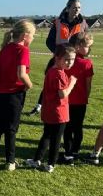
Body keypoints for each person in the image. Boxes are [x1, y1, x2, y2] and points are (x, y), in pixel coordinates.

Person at [0, 19, 35, 171]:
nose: (33, 38)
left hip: (0, 93)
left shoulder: (6, 48)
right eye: (32, 35)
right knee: (11, 128)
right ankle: (10, 161)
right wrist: (29, 85)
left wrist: (2, 79)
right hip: (14, 94)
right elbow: (22, 73)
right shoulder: (23, 50)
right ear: (25, 36)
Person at [30, 0, 88, 115]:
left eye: (79, 8)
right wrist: (59, 53)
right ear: (68, 8)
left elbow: (86, 41)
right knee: (51, 84)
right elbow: (49, 41)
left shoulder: (83, 24)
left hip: (74, 60)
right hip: (59, 59)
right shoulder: (58, 22)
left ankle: (69, 108)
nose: (77, 10)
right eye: (74, 7)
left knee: (71, 84)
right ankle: (40, 106)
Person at [25, 45, 77, 173]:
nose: (70, 62)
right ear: (57, 58)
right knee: (55, 140)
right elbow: (63, 94)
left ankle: (37, 160)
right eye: (67, 59)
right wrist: (72, 83)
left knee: (47, 136)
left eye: (72, 59)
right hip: (59, 113)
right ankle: (51, 164)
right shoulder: (59, 74)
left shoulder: (52, 70)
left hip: (50, 110)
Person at [61, 33, 94, 164]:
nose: (89, 49)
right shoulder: (87, 63)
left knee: (68, 127)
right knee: (77, 127)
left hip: (66, 100)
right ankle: (75, 150)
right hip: (80, 101)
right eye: (87, 46)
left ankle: (68, 152)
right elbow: (88, 84)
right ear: (78, 46)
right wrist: (86, 96)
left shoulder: (64, 60)